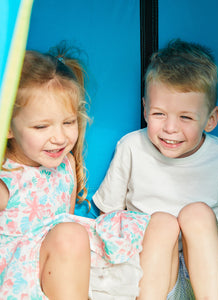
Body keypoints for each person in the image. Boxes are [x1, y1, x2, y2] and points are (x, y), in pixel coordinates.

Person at [93, 39, 218, 299]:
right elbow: (108, 215)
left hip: (210, 272)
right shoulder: (131, 147)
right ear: (145, 109)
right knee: (162, 223)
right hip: (153, 276)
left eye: (186, 117)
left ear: (210, 119)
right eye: (159, 114)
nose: (170, 128)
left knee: (196, 213)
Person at [0, 45, 153, 300]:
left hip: (66, 272)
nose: (59, 137)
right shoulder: (6, 180)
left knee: (148, 225)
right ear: (8, 127)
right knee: (69, 235)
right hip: (21, 281)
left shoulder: (66, 164)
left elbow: (66, 221)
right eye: (41, 126)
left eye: (69, 122)